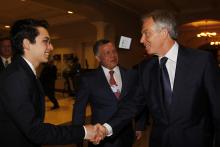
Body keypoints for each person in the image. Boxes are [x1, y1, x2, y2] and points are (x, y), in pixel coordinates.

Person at [96, 10, 220, 147]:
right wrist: (106, 128)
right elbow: (132, 104)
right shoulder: (146, 68)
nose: (141, 40)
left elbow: (217, 107)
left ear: (164, 32)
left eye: (146, 33)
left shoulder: (201, 61)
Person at [0, 18, 102, 147]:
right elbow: (35, 131)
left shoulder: (24, 72)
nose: (51, 47)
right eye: (46, 41)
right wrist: (84, 131)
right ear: (26, 44)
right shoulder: (15, 77)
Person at [72, 39, 144, 147]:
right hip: (101, 138)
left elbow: (138, 101)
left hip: (126, 135)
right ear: (98, 58)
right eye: (107, 53)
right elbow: (79, 110)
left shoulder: (130, 75)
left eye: (114, 51)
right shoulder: (88, 80)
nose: (113, 55)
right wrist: (79, 136)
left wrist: (139, 126)